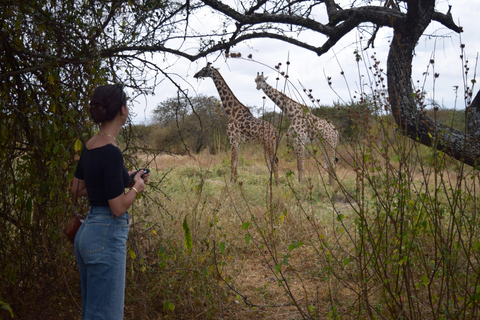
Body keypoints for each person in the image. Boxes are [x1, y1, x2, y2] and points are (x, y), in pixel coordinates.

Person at [71, 84, 147, 319]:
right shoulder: (112, 151)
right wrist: (136, 187)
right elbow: (117, 207)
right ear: (122, 110)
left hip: (86, 233)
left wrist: (124, 179)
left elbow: (77, 188)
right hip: (106, 235)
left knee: (92, 312)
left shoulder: (90, 145)